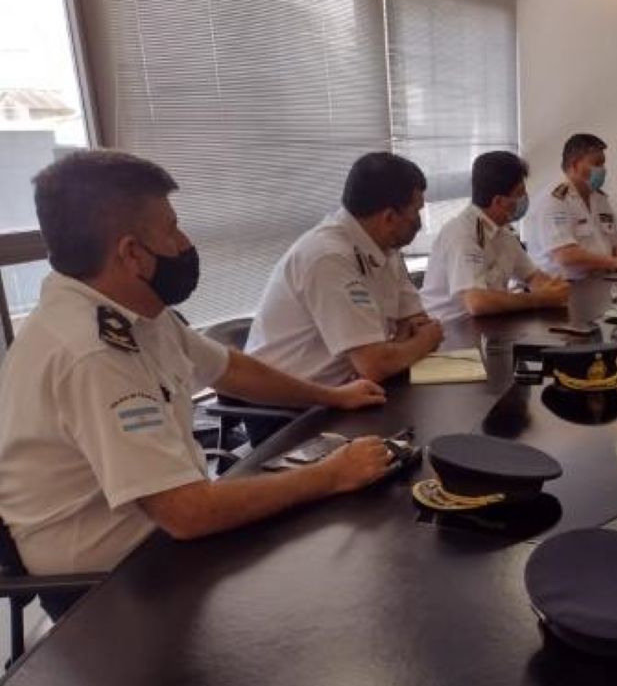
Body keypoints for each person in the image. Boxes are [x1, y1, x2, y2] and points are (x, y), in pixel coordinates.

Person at [0, 150, 398, 592]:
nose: (184, 241)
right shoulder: (91, 352)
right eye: (172, 229)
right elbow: (187, 512)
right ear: (131, 254)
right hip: (109, 588)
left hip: (165, 539)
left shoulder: (133, 307)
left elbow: (230, 369)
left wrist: (332, 396)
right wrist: (332, 474)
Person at [245, 152, 444, 386]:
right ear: (389, 217)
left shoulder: (386, 247)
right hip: (286, 400)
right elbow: (375, 364)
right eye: (416, 211)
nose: (419, 221)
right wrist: (424, 341)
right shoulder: (328, 257)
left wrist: (398, 348)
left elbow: (416, 322)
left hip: (346, 389)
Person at [421, 151, 570, 321]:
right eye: (519, 194)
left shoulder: (503, 233)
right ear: (498, 201)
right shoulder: (463, 234)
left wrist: (554, 289)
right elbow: (477, 302)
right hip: (452, 329)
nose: (524, 199)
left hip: (488, 324)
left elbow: (532, 276)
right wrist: (539, 299)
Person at [526, 133, 617, 280]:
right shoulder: (554, 201)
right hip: (563, 286)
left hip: (600, 281)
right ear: (575, 165)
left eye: (603, 164)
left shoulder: (600, 198)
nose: (603, 170)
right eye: (597, 164)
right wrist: (616, 262)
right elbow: (566, 256)